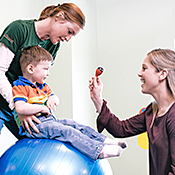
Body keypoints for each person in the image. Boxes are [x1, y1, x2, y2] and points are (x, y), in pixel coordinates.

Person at [12, 45, 127, 160]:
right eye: (46, 69)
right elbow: (20, 107)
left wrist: (53, 99)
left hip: (51, 121)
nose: (48, 73)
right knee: (67, 131)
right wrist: (41, 108)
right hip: (35, 127)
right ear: (31, 69)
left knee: (75, 125)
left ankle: (104, 141)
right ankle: (98, 151)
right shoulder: (20, 86)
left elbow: (54, 97)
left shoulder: (43, 86)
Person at [0, 3, 85, 139]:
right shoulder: (19, 29)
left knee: (39, 140)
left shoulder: (53, 45)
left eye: (72, 36)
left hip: (22, 104)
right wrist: (18, 106)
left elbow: (37, 80)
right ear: (59, 16)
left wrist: (45, 100)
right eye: (69, 31)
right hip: (6, 101)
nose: (68, 39)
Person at [89, 48, 175, 174]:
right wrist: (97, 99)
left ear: (162, 74)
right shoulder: (153, 111)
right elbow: (121, 128)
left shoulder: (173, 115)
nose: (139, 73)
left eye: (144, 68)